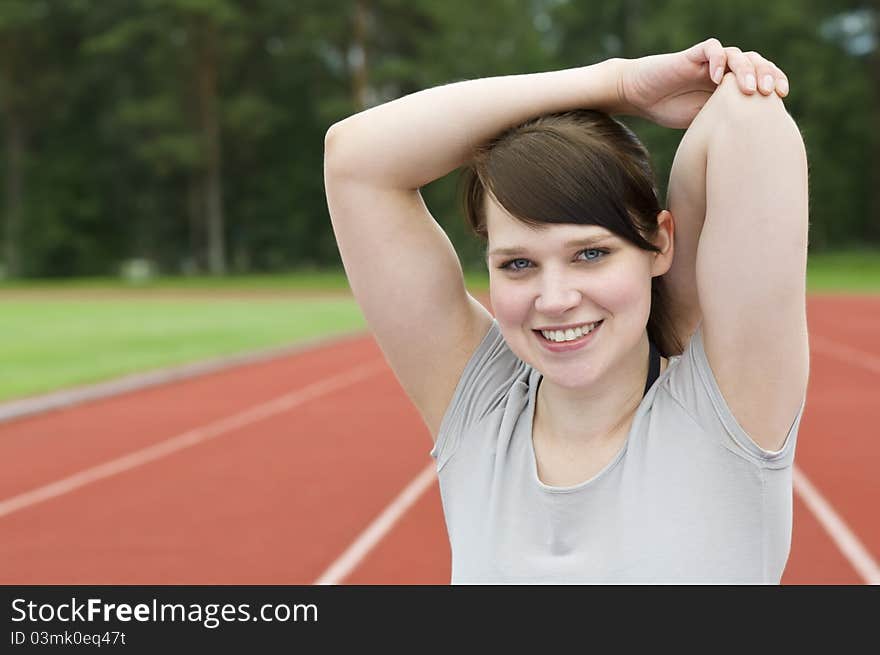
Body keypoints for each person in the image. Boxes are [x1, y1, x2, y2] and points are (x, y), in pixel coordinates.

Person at [323, 38, 809, 584]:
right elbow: (354, 159)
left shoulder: (727, 414)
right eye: (518, 265)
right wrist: (615, 84)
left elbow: (747, 114)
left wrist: (674, 315)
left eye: (591, 254)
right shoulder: (482, 412)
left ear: (660, 244)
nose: (554, 299)